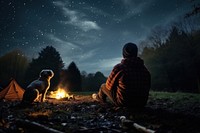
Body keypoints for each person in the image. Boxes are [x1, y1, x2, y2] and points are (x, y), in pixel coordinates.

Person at [93, 42, 151, 110]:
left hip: (124, 103)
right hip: (141, 103)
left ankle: (99, 98)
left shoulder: (119, 68)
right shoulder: (144, 70)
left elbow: (108, 86)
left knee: (103, 86)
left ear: (124, 54)